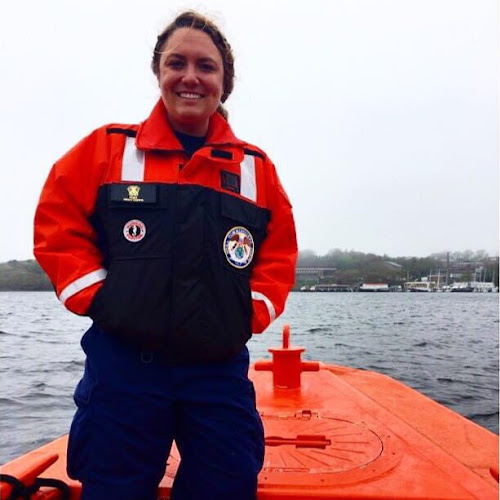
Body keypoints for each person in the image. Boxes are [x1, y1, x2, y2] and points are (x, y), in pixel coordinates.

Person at [34, 10, 297, 500]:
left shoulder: (256, 168)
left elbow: (278, 253)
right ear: (158, 72)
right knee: (113, 487)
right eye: (177, 63)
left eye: (206, 66)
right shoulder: (107, 148)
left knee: (227, 483)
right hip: (123, 368)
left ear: (225, 82)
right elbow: (57, 224)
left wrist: (250, 311)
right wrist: (99, 298)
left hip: (217, 369)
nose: (190, 76)